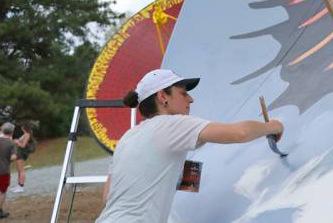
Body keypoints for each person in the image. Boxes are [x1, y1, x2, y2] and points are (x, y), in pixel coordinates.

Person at [97, 69, 283, 223]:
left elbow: (107, 197)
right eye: (183, 93)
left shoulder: (128, 137)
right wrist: (273, 126)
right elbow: (239, 133)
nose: (191, 99)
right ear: (163, 96)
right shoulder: (171, 125)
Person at [11, 124, 34, 193]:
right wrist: (17, 140)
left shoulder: (27, 134)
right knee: (19, 170)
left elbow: (23, 145)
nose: (21, 128)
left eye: (22, 127)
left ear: (24, 128)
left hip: (21, 153)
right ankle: (18, 185)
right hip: (19, 153)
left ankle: (21, 186)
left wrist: (17, 142)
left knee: (21, 170)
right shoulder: (25, 134)